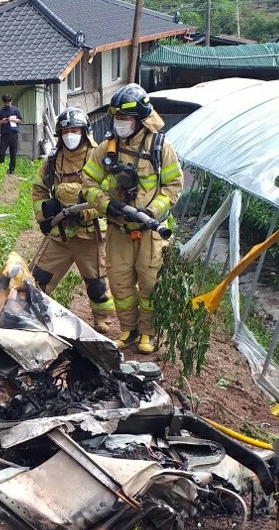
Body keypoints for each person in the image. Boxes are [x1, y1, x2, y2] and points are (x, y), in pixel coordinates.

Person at [82, 84, 184, 354]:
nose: (120, 124)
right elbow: (88, 181)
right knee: (120, 281)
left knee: (149, 282)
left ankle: (148, 333)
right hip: (118, 228)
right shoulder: (107, 148)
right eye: (116, 119)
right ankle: (129, 330)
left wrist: (152, 212)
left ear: (139, 119)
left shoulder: (161, 147)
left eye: (125, 119)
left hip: (150, 231)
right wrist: (106, 205)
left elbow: (173, 186)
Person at [31, 107, 114, 332]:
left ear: (85, 131)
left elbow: (109, 195)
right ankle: (29, 314)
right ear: (59, 134)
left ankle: (102, 319)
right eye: (66, 130)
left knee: (97, 284)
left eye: (75, 129)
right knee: (39, 279)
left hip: (90, 235)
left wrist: (86, 211)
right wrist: (44, 218)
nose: (71, 134)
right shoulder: (52, 160)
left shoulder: (99, 157)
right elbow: (39, 189)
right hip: (61, 235)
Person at [0, 93, 22, 174]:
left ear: (11, 101)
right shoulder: (0, 111)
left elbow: (20, 120)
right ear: (4, 102)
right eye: (6, 102)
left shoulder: (15, 110)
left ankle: (12, 169)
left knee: (13, 152)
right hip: (4, 134)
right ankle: (1, 167)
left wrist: (13, 120)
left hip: (13, 133)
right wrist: (2, 121)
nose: (8, 104)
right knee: (1, 151)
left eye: (9, 102)